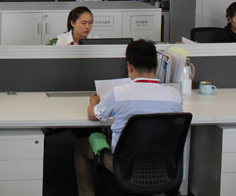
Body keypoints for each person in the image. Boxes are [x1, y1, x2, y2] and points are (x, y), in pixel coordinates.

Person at [74, 39, 183, 196]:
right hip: (161, 164)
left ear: (130, 66)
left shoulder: (120, 93)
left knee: (80, 146)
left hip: (125, 167)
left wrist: (93, 103)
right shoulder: (174, 96)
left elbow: (93, 115)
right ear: (157, 65)